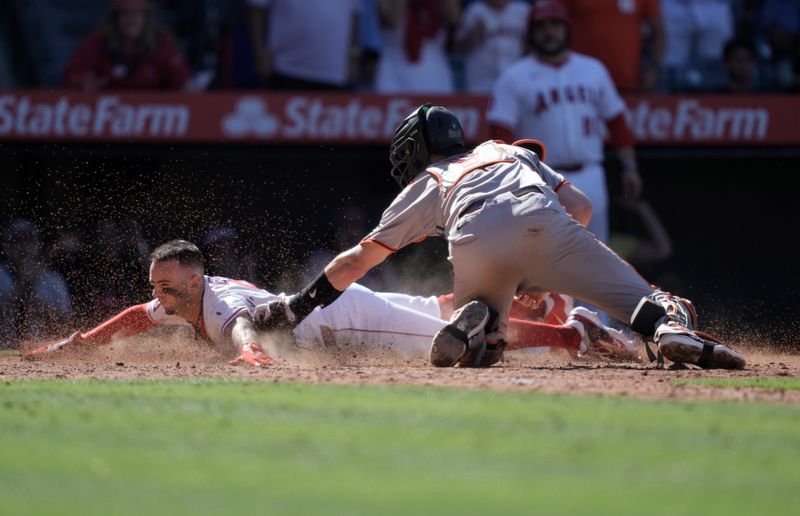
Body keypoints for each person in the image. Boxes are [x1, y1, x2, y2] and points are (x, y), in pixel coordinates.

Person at [250, 103, 746, 371]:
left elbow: (358, 260)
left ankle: (481, 322)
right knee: (644, 300)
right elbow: (582, 208)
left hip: (471, 239)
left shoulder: (429, 182)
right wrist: (547, 263)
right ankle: (663, 328)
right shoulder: (507, 150)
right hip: (545, 221)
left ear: (417, 151)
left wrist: (295, 306)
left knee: (487, 334)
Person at [24, 240, 640, 365]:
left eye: (167, 286)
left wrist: (252, 357)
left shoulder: (216, 301)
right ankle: (552, 310)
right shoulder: (180, 301)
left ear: (192, 282)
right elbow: (136, 316)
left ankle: (573, 334)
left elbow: (243, 329)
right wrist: (74, 344)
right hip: (343, 311)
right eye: (156, 285)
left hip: (347, 322)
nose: (156, 295)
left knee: (451, 331)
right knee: (438, 310)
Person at [487, 0, 642, 244]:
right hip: (542, 178)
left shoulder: (593, 69)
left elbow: (617, 122)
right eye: (541, 26)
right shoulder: (514, 76)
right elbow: (498, 133)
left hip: (591, 173)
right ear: (531, 33)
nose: (549, 32)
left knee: (596, 253)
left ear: (567, 29)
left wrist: (630, 167)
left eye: (555, 25)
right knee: (544, 255)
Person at [63, 0, 193, 91]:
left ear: (145, 19)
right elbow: (71, 74)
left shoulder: (160, 43)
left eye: (137, 14)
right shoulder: (98, 41)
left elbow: (182, 81)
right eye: (125, 14)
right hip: (109, 114)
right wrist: (82, 83)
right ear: (115, 19)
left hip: (154, 116)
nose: (132, 20)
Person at [246, 0, 362, 90]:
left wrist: (353, 54)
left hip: (334, 70)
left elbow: (354, 14)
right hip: (287, 67)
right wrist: (260, 51)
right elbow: (257, 5)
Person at [552, 0, 664, 93]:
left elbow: (658, 32)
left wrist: (653, 68)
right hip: (580, 84)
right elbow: (552, 28)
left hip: (626, 82)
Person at [373, 0, 462, 93]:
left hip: (434, 77)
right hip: (394, 76)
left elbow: (454, 18)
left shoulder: (437, 3)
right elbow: (393, 20)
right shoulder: (384, 1)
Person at [0, 220, 74, 348]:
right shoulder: (1, 274)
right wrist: (23, 285)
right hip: (4, 348)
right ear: (6, 246)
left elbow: (66, 321)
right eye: (16, 242)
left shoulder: (52, 279)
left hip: (41, 350)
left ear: (37, 245)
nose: (22, 247)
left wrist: (34, 292)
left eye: (28, 241)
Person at [453, 0, 530, 93]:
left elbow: (533, 49)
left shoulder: (522, 10)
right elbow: (458, 49)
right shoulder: (474, 10)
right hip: (480, 85)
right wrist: (474, 35)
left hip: (515, 84)